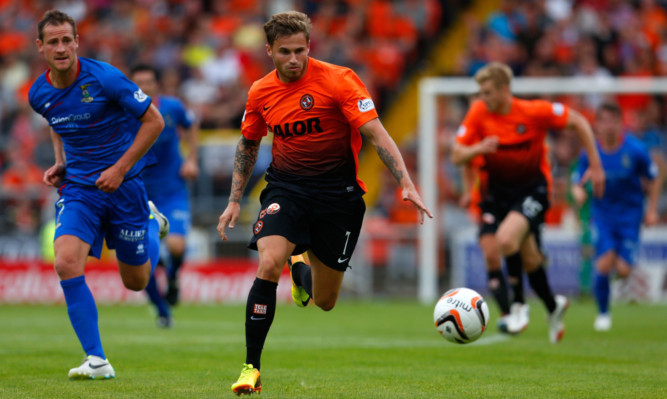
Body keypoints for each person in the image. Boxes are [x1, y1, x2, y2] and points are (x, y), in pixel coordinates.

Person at [216, 11, 432, 395]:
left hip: (338, 197)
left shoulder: (340, 80)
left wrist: (407, 183)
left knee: (325, 300)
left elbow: (376, 135)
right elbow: (249, 143)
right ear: (269, 51)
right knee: (268, 262)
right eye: (285, 52)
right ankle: (251, 368)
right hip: (287, 189)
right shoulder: (260, 92)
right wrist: (234, 201)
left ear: (309, 46)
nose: (294, 59)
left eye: (300, 50)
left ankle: (300, 265)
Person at [28, 10, 168, 379]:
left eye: (66, 40)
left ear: (77, 42)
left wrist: (120, 169)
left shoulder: (104, 78)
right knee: (65, 262)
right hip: (80, 189)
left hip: (124, 187)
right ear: (40, 47)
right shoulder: (38, 93)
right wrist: (61, 161)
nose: (61, 47)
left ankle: (151, 223)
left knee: (135, 282)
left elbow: (155, 121)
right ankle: (97, 359)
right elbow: (56, 121)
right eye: (53, 41)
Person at [451, 62, 605, 343]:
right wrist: (479, 148)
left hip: (532, 191)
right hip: (495, 194)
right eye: (480, 93)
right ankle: (552, 305)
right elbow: (457, 155)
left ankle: (516, 308)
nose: (482, 98)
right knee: (530, 257)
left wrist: (595, 166)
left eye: (487, 92)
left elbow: (579, 122)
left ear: (504, 90)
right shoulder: (478, 113)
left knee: (506, 240)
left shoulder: (534, 112)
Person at [571, 103, 660, 332]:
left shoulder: (635, 150)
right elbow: (576, 182)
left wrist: (651, 210)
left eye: (613, 121)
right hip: (602, 216)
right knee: (603, 262)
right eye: (604, 121)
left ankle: (611, 283)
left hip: (630, 216)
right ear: (597, 125)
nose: (609, 126)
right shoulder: (590, 153)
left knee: (622, 270)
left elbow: (655, 177)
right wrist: (579, 192)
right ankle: (603, 314)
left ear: (620, 123)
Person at [131, 64, 199, 327]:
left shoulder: (172, 107)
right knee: (144, 258)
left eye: (148, 82)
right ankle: (162, 311)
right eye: (138, 82)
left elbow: (192, 125)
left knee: (178, 246)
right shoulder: (125, 111)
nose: (144, 87)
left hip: (172, 189)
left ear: (156, 84)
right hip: (139, 193)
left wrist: (191, 159)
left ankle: (172, 278)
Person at [459, 158, 527, 333]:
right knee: (490, 255)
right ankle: (506, 313)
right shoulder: (482, 138)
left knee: (524, 254)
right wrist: (468, 191)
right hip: (489, 205)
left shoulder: (516, 138)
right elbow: (462, 159)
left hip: (516, 202)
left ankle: (519, 303)